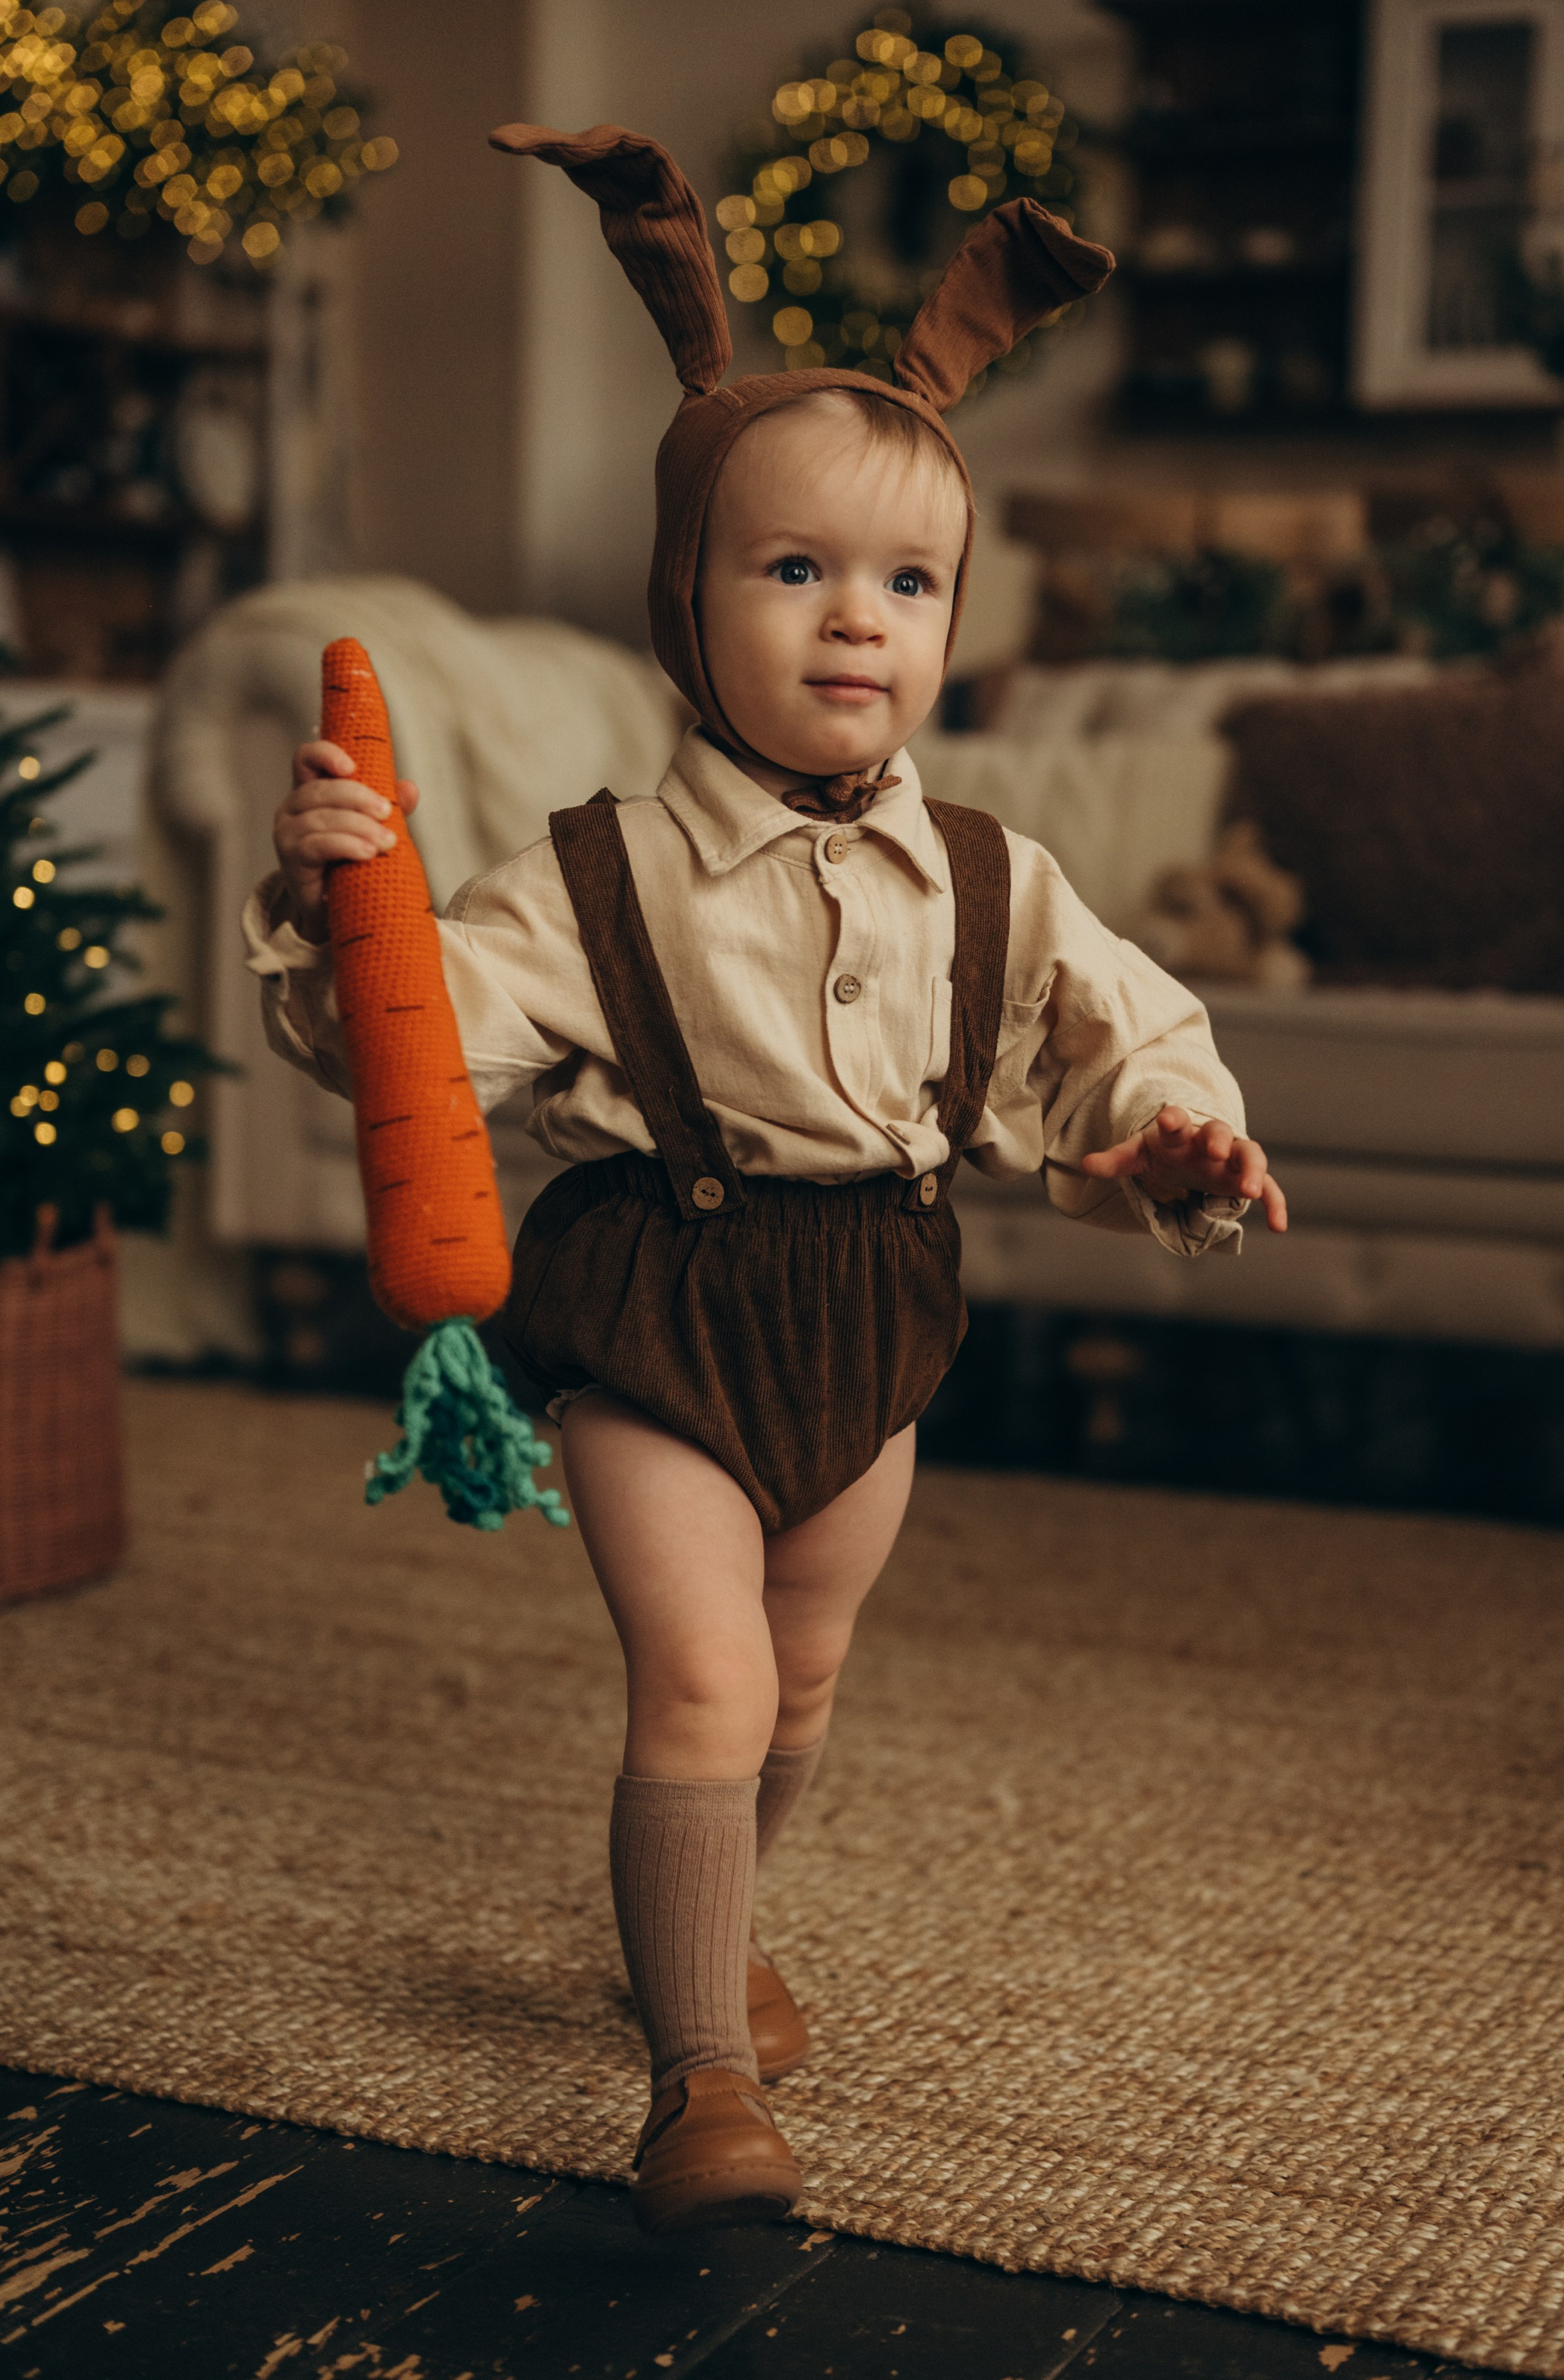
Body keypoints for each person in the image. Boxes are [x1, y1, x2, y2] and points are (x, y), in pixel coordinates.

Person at [246, 126, 1287, 2236]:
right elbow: (407, 1039)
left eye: (906, 584)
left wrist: (1183, 1130)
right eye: (791, 569)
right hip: (658, 1299)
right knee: (705, 1676)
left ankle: (715, 1920)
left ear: (955, 623)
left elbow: (1121, 1026)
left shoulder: (997, 871)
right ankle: (695, 2074)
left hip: (873, 1306)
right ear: (682, 601)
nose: (853, 621)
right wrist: (327, 896)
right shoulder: (593, 871)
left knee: (802, 1683)